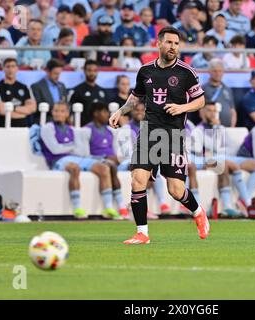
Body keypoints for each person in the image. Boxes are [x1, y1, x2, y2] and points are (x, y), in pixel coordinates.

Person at [109, 27, 210, 244]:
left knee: (175, 189)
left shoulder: (186, 72)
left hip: (173, 136)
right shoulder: (145, 71)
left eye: (176, 43)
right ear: (159, 44)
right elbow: (135, 98)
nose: (173, 47)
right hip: (148, 133)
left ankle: (198, 211)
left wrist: (182, 108)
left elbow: (200, 101)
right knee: (138, 179)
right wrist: (120, 111)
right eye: (169, 42)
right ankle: (142, 233)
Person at [40, 102, 119, 219]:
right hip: (58, 160)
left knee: (104, 168)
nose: (58, 114)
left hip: (77, 158)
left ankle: (108, 208)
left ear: (67, 114)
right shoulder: (47, 128)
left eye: (62, 111)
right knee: (74, 168)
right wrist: (72, 147)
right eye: (56, 111)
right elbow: (55, 149)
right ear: (52, 112)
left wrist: (72, 148)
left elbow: (82, 152)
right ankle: (77, 208)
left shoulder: (72, 130)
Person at [190, 102, 253, 217]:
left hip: (219, 158)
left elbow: (220, 148)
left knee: (240, 165)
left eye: (215, 111)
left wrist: (217, 128)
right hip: (204, 160)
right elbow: (198, 153)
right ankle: (241, 203)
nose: (213, 114)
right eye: (209, 110)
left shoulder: (219, 127)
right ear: (202, 112)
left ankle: (236, 204)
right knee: (228, 164)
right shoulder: (198, 130)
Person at [114, 101, 171, 217]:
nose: (139, 112)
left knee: (155, 169)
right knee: (147, 166)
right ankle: (156, 203)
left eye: (142, 110)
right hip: (126, 161)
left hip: (144, 159)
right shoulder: (126, 129)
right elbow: (125, 152)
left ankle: (155, 204)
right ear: (132, 112)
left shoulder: (150, 127)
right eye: (136, 110)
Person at [85, 102, 128, 218]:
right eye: (104, 112)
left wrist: (118, 158)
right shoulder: (87, 130)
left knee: (137, 165)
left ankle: (128, 205)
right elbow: (84, 155)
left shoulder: (109, 131)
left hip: (113, 162)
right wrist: (104, 158)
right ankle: (119, 207)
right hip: (98, 161)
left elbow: (115, 150)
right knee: (110, 166)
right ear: (95, 114)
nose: (107, 114)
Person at [0, 58, 36, 127]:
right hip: (4, 127)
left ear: (17, 69)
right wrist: (23, 113)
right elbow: (1, 110)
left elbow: (32, 108)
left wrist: (12, 108)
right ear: (3, 69)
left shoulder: (25, 87)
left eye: (13, 66)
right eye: (8, 66)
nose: (10, 69)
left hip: (22, 127)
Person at [69, 60, 108, 126]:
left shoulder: (102, 91)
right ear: (84, 71)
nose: (92, 73)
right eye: (89, 70)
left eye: (95, 70)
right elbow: (70, 113)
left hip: (100, 129)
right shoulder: (77, 91)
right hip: (83, 128)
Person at [202, 58, 237, 127]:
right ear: (209, 72)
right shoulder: (203, 88)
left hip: (228, 129)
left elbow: (232, 111)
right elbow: (201, 110)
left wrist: (232, 127)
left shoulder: (227, 89)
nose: (218, 74)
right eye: (215, 71)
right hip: (211, 129)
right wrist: (206, 125)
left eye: (220, 71)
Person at [31, 58, 67, 123]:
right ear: (47, 71)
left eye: (59, 74)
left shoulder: (62, 86)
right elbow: (37, 107)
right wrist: (57, 111)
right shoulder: (36, 87)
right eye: (55, 73)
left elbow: (65, 103)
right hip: (45, 121)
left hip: (62, 122)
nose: (58, 76)